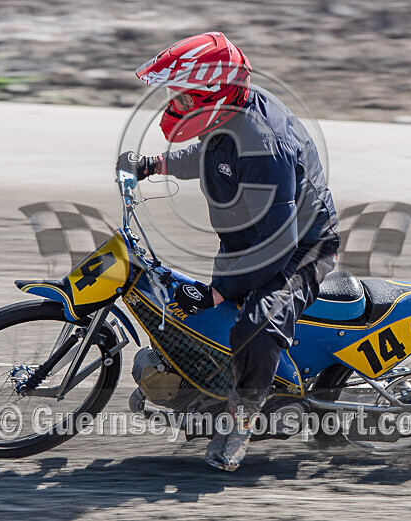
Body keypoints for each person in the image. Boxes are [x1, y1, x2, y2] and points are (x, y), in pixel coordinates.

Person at [117, 32, 340, 471]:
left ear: (211, 96)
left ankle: (242, 423)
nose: (174, 105)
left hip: (298, 246)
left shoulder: (265, 147)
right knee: (199, 313)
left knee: (255, 327)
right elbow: (211, 153)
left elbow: (276, 245)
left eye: (182, 97)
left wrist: (222, 290)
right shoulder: (231, 110)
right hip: (250, 239)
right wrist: (153, 166)